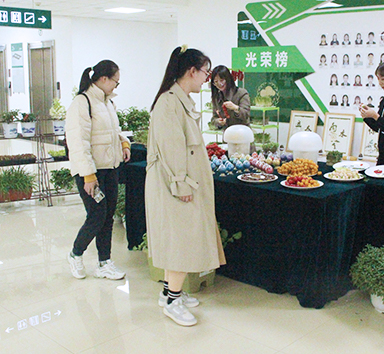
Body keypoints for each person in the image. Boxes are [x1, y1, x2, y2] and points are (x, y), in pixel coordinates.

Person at [146, 46, 225, 327]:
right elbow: (172, 150)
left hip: (182, 182)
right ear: (191, 71)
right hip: (174, 185)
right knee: (180, 240)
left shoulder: (180, 101)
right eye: (205, 72)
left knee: (177, 239)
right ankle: (172, 301)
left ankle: (171, 292)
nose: (207, 78)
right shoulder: (168, 103)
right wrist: (181, 184)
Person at [67, 60, 131, 281]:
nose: (116, 86)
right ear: (103, 79)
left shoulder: (107, 102)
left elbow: (114, 130)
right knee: (97, 216)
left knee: (108, 217)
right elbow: (78, 142)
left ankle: (104, 262)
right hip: (91, 172)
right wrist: (88, 175)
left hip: (110, 168)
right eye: (115, 82)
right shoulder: (82, 102)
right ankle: (75, 254)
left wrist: (124, 143)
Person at [210, 65, 250, 130]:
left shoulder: (241, 93)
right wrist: (218, 121)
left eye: (221, 80)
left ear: (228, 79)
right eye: (216, 82)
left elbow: (246, 114)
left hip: (242, 131)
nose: (219, 84)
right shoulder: (217, 97)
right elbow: (214, 118)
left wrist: (235, 108)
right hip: (227, 132)